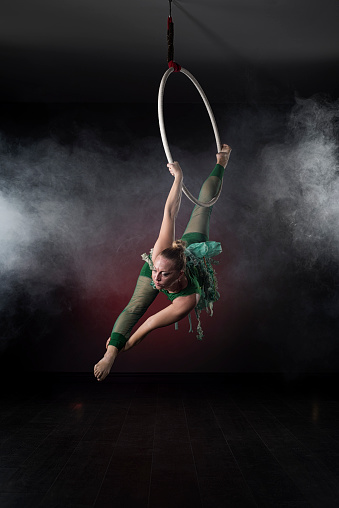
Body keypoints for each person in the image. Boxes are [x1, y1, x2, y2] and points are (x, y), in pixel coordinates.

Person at [94, 144, 231, 381]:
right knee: (137, 301)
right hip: (168, 257)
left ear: (180, 274)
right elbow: (170, 212)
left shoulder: (187, 300)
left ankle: (221, 163)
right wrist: (111, 354)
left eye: (163, 275)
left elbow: (148, 324)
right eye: (155, 271)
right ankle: (218, 163)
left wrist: (127, 344)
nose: (155, 279)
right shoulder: (159, 257)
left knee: (204, 206)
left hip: (191, 256)